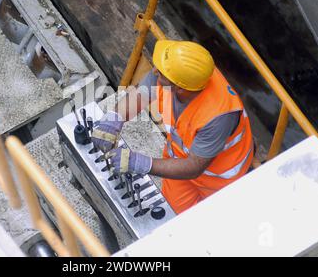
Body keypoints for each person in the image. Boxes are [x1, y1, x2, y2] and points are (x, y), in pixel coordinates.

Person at [91, 40, 254, 214]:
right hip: (177, 164)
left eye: (160, 73)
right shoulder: (180, 71)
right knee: (173, 216)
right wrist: (113, 120)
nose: (154, 71)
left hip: (220, 183)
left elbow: (194, 167)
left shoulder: (219, 117)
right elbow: (140, 95)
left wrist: (141, 163)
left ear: (180, 88)